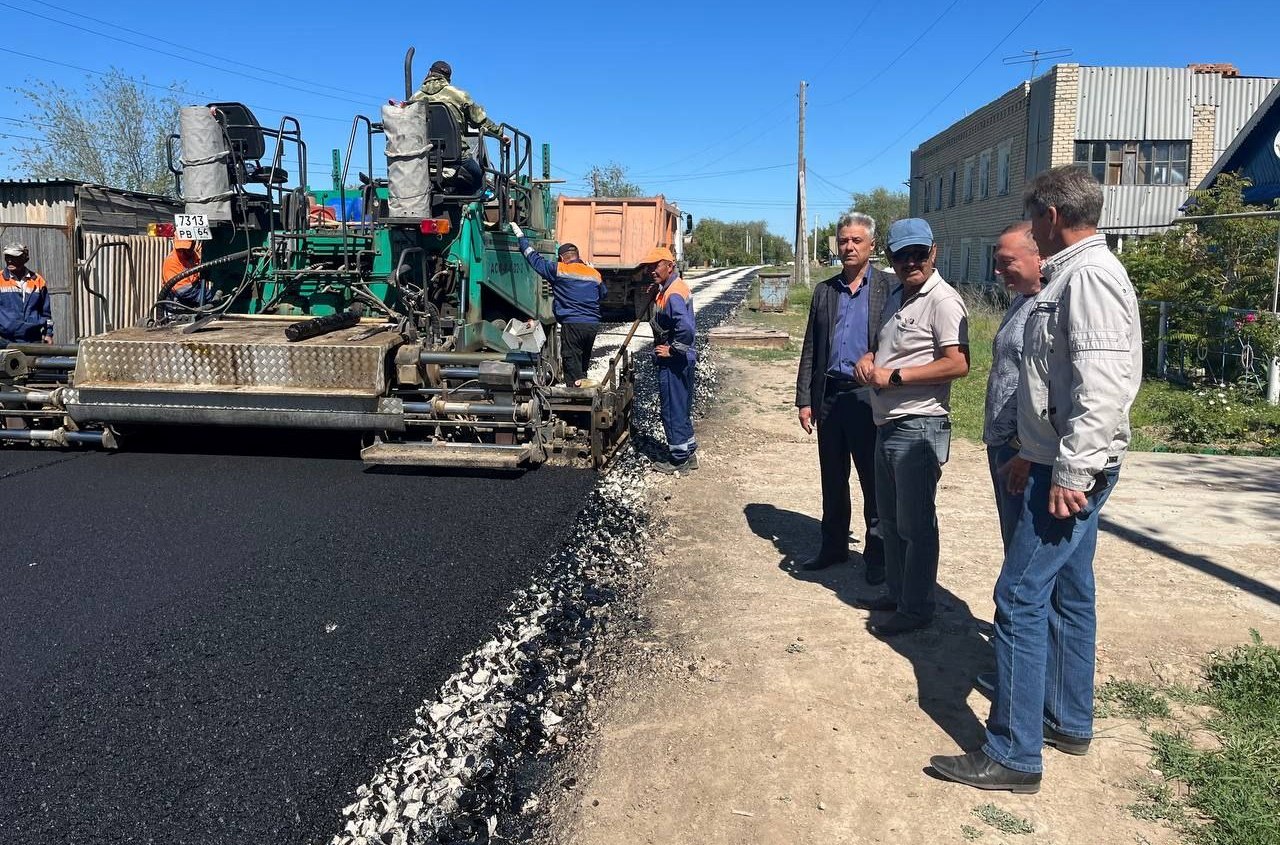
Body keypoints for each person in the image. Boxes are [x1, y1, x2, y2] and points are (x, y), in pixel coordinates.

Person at [930, 166, 1143, 794]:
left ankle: (1014, 754)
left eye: (1032, 218)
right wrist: (1033, 448)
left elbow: (1101, 387)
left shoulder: (1089, 276)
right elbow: (1056, 383)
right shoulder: (1074, 274)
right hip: (1054, 458)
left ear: (1050, 216)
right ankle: (1066, 718)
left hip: (1071, 470)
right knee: (1070, 589)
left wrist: (1070, 469)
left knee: (1020, 596)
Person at [853, 218, 969, 636]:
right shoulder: (897, 296)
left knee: (916, 525)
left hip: (919, 426)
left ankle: (917, 608)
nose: (911, 262)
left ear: (933, 252)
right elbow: (885, 347)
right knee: (891, 519)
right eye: (903, 255)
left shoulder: (943, 301)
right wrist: (869, 358)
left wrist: (897, 377)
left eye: (919, 254)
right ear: (890, 257)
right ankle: (899, 593)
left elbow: (958, 363)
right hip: (888, 423)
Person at [794, 212, 891, 581]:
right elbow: (811, 347)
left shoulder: (888, 289)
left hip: (868, 397)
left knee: (873, 480)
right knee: (833, 478)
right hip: (830, 396)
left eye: (856, 241)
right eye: (843, 240)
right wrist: (805, 400)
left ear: (871, 245)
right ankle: (833, 546)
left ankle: (878, 556)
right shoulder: (825, 291)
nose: (849, 247)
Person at [984, 222, 1044, 550]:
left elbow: (1049, 386)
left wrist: (1025, 449)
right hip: (1005, 444)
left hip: (1025, 450)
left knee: (1027, 550)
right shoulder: (1022, 300)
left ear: (1040, 257)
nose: (998, 270)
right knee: (1013, 541)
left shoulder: (1051, 307)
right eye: (997, 262)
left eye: (1007, 262)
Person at [509, 222, 605, 385]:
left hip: (573, 324)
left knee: (571, 366)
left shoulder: (559, 270)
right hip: (592, 325)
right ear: (578, 256)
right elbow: (603, 294)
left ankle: (575, 397)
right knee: (582, 365)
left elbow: (535, 260)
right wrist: (592, 272)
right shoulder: (594, 273)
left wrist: (521, 238)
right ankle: (584, 391)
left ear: (561, 258)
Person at [408, 60, 505, 193]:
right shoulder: (458, 95)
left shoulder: (414, 98)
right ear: (448, 78)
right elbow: (480, 120)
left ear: (429, 73)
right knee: (480, 179)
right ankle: (460, 202)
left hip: (424, 158)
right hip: (456, 158)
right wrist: (500, 133)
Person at [642, 246, 697, 474]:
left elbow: (686, 328)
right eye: (650, 267)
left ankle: (679, 459)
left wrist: (672, 351)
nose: (652, 271)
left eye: (656, 266)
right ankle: (689, 451)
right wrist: (656, 291)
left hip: (675, 362)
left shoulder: (673, 294)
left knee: (672, 409)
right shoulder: (672, 287)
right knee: (681, 406)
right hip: (685, 358)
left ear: (670, 266)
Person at [1, 243, 53, 344]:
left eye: (14, 257)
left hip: (33, 339)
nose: (9, 260)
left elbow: (46, 313)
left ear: (25, 258)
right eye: (7, 257)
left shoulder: (38, 281)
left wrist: (48, 333)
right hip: (5, 341)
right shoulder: (0, 280)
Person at [161, 239, 209, 309]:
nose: (182, 253)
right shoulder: (171, 262)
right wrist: (209, 296)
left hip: (191, 301)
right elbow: (184, 291)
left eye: (186, 249)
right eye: (179, 249)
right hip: (177, 306)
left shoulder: (194, 256)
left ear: (193, 245)